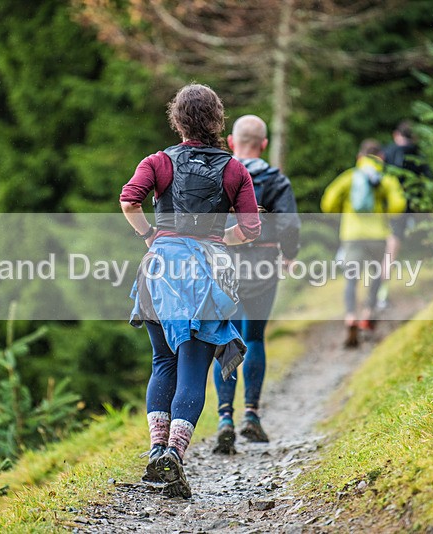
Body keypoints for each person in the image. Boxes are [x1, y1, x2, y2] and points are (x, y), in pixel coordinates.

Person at [120, 84, 261, 498]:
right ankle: (175, 457)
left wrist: (149, 235)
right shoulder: (234, 169)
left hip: (159, 270)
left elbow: (130, 200)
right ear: (218, 120)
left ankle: (155, 450)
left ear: (177, 119)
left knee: (162, 361)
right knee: (193, 369)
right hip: (206, 276)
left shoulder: (158, 161)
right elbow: (251, 228)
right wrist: (220, 242)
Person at [211, 114, 300, 454]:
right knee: (254, 336)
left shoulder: (221, 173)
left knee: (225, 335)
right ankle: (251, 414)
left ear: (232, 142)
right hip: (263, 265)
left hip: (223, 264)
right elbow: (289, 224)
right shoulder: (275, 178)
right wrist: (289, 255)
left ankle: (224, 419)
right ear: (264, 144)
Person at [321, 139, 406, 348]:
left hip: (352, 234)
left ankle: (351, 316)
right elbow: (399, 205)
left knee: (351, 278)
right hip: (377, 234)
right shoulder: (385, 179)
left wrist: (343, 211)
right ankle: (368, 313)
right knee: (376, 275)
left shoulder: (349, 177)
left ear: (359, 157)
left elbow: (328, 203)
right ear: (382, 158)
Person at [378, 120, 433, 309]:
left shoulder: (387, 152)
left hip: (392, 210)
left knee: (391, 250)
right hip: (418, 207)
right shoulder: (418, 153)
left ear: (396, 134)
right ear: (415, 136)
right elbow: (431, 178)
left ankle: (382, 295)